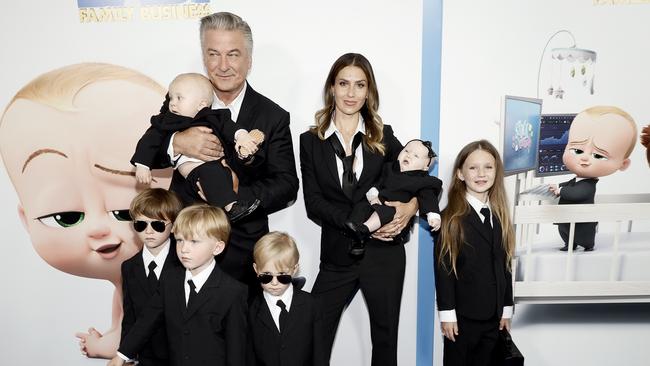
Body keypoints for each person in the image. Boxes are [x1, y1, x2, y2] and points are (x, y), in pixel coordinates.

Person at [0, 62, 172, 358]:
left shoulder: (158, 272)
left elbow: (132, 333)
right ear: (25, 218)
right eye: (66, 217)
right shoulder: (130, 275)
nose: (99, 229)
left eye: (126, 212)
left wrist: (98, 346)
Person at [153, 12, 299, 294]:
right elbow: (150, 147)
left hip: (243, 250)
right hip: (184, 245)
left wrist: (234, 195)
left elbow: (287, 185)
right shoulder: (181, 98)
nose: (222, 66)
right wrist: (178, 144)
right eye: (213, 54)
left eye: (233, 54)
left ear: (249, 60)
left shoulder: (273, 116)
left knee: (239, 336)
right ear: (203, 58)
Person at [300, 53, 418, 365]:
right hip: (338, 252)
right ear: (332, 89)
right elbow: (313, 203)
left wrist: (410, 207)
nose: (351, 93)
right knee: (314, 336)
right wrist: (357, 224)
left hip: (384, 256)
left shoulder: (385, 135)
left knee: (385, 340)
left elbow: (417, 178)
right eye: (343, 84)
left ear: (368, 91)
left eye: (359, 85)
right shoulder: (310, 141)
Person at [109, 204, 248, 366]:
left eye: (194, 242)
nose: (184, 249)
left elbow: (236, 351)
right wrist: (122, 355)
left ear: (217, 247)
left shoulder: (233, 292)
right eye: (180, 240)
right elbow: (147, 320)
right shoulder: (170, 280)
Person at [131, 72, 264, 222]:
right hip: (194, 174)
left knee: (220, 172)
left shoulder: (213, 117)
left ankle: (227, 206)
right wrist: (142, 164)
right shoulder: (168, 119)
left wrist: (242, 136)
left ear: (201, 105)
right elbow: (149, 140)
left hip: (220, 170)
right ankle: (231, 207)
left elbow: (229, 127)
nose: (173, 103)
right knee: (210, 172)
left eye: (179, 98)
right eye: (172, 97)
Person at [435, 140, 515, 366]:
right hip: (462, 320)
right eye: (473, 167)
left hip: (494, 317)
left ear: (496, 171)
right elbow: (444, 271)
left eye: (488, 167)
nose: (481, 174)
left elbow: (505, 264)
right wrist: (447, 315)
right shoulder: (449, 219)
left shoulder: (500, 216)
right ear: (460, 174)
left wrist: (506, 308)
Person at [549, 106, 637, 251]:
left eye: (598, 155)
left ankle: (588, 246)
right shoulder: (577, 180)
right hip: (567, 218)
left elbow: (577, 193)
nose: (584, 158)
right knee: (565, 231)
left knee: (582, 235)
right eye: (577, 150)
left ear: (623, 164)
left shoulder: (589, 185)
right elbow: (571, 185)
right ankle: (569, 244)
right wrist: (557, 185)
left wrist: (560, 190)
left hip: (581, 221)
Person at [116, 188, 184, 366]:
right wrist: (126, 354)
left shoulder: (186, 262)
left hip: (182, 354)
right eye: (141, 224)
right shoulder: (129, 267)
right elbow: (130, 316)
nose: (149, 231)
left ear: (173, 227)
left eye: (158, 225)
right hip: (146, 356)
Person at [345, 138, 443, 255]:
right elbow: (378, 182)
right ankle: (356, 236)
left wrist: (433, 215)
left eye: (416, 156)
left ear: (425, 168)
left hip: (394, 214)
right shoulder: (388, 168)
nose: (409, 155)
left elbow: (428, 198)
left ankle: (363, 230)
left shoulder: (423, 181)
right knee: (361, 206)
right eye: (406, 151)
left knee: (387, 211)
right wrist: (373, 193)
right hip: (376, 204)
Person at [247, 231, 326, 366]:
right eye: (266, 276)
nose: (274, 283)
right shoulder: (249, 310)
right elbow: (248, 357)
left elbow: (320, 355)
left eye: (282, 275)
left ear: (294, 269)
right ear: (256, 269)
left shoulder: (311, 305)